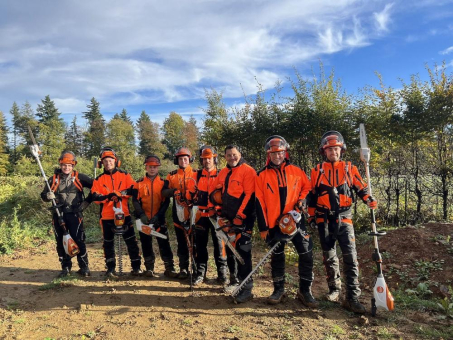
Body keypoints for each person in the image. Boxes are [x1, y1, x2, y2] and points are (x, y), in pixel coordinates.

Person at [307, 131, 377, 314]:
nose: (333, 152)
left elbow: (361, 188)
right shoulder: (316, 171)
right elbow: (312, 197)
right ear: (324, 151)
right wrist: (311, 217)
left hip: (345, 218)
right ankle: (334, 290)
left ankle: (352, 297)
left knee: (350, 257)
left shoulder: (349, 168)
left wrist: (369, 199)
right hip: (324, 220)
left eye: (336, 149)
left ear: (341, 149)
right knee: (329, 256)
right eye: (329, 150)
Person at [255, 136, 318, 307]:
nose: (277, 156)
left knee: (306, 253)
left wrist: (303, 200)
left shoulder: (296, 171)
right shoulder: (261, 175)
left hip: (296, 220)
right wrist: (263, 228)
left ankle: (305, 291)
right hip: (274, 224)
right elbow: (259, 203)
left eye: (280, 152)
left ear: (285, 152)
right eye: (274, 153)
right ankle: (278, 289)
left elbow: (308, 187)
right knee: (277, 256)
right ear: (269, 154)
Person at [212, 145, 256, 303]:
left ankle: (247, 287)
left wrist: (240, 216)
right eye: (229, 155)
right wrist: (217, 208)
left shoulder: (248, 171)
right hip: (227, 218)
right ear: (225, 157)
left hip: (244, 219)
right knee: (230, 250)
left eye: (234, 154)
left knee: (243, 252)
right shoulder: (223, 172)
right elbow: (217, 191)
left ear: (240, 154)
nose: (232, 157)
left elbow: (249, 195)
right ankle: (235, 280)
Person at [90, 147, 142, 278]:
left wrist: (120, 194)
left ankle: (136, 267)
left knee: (131, 241)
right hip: (107, 215)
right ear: (102, 163)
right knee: (108, 243)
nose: (108, 163)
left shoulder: (124, 175)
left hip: (124, 213)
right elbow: (94, 196)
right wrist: (107, 197)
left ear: (116, 161)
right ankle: (110, 268)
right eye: (106, 161)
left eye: (110, 161)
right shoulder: (99, 179)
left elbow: (133, 190)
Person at [40, 151, 93, 278]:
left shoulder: (80, 177)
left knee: (79, 240)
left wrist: (86, 203)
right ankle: (65, 267)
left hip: (75, 214)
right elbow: (43, 195)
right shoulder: (53, 179)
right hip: (59, 214)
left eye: (69, 165)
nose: (67, 167)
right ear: (60, 164)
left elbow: (96, 187)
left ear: (73, 165)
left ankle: (84, 267)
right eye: (64, 165)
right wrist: (48, 196)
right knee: (61, 241)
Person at [132, 155, 178, 278]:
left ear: (158, 168)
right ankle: (149, 268)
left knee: (164, 242)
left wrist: (159, 216)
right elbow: (135, 201)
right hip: (143, 219)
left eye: (155, 167)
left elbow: (166, 201)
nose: (152, 169)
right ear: (146, 167)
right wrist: (141, 214)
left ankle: (170, 268)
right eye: (150, 167)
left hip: (159, 218)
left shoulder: (164, 183)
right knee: (146, 243)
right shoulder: (139, 183)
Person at [192, 146, 228, 285]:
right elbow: (190, 193)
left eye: (209, 158)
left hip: (216, 216)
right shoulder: (197, 175)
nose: (207, 161)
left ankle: (222, 274)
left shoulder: (221, 174)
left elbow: (226, 195)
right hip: (201, 215)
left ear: (214, 158)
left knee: (220, 245)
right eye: (204, 159)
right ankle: (200, 273)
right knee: (200, 246)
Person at [162, 147, 198, 279]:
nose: (183, 161)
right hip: (178, 210)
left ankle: (196, 269)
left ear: (190, 160)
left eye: (185, 158)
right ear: (176, 160)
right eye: (180, 159)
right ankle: (183, 268)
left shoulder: (196, 173)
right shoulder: (171, 175)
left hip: (193, 210)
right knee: (181, 241)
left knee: (194, 241)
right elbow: (164, 192)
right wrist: (173, 191)